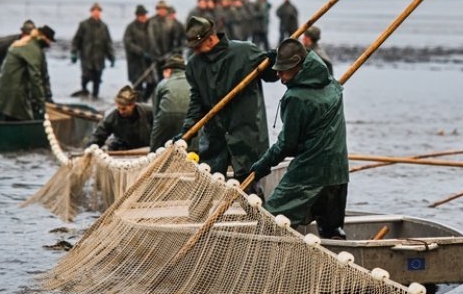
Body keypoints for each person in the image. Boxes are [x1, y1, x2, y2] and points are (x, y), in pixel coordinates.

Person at [249, 38, 349, 239]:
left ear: (299, 67)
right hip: (338, 171)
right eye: (277, 70)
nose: (279, 76)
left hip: (310, 173)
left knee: (271, 221)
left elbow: (287, 144)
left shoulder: (295, 97)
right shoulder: (332, 84)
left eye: (283, 70)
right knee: (332, 231)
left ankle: (272, 267)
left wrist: (261, 166)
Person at [177, 16, 278, 185]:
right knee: (204, 186)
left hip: (246, 135)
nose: (195, 51)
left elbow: (272, 76)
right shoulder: (194, 65)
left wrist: (273, 61)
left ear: (210, 39)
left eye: (198, 47)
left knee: (249, 190)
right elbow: (196, 103)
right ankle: (201, 213)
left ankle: (255, 211)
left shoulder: (245, 52)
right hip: (214, 136)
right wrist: (187, 131)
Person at [0, 25, 55, 121]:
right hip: (15, 94)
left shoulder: (25, 43)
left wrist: (47, 98)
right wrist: (41, 103)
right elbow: (35, 78)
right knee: (24, 120)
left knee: (0, 119)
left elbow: (42, 76)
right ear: (43, 38)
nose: (50, 44)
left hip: (2, 92)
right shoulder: (33, 49)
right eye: (49, 40)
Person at [149, 54, 195, 151]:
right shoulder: (193, 81)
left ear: (168, 70)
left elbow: (156, 112)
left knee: (156, 149)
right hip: (190, 117)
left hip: (165, 116)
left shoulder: (162, 84)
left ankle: (153, 159)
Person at [87, 85, 155, 151]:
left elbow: (161, 128)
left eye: (124, 109)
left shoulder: (148, 112)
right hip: (124, 148)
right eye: (118, 108)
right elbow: (99, 135)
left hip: (147, 147)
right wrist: (90, 149)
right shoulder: (113, 117)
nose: (121, 112)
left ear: (132, 105)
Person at [71, 2, 115, 99]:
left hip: (99, 58)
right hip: (87, 57)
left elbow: (108, 42)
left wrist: (111, 57)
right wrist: (74, 53)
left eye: (98, 11)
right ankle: (84, 91)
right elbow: (76, 40)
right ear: (91, 12)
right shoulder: (84, 25)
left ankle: (95, 96)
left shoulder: (104, 26)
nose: (96, 13)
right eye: (94, 11)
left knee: (97, 79)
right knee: (86, 76)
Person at [123, 4, 154, 99]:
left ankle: (143, 101)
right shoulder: (131, 27)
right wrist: (140, 52)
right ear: (137, 16)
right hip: (135, 62)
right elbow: (128, 43)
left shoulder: (150, 26)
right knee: (137, 86)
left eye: (145, 15)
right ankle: (138, 104)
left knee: (152, 84)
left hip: (148, 62)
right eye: (141, 15)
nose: (144, 17)